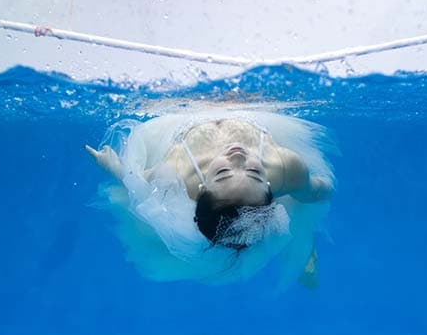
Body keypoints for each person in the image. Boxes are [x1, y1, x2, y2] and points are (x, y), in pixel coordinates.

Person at [85, 106, 337, 290]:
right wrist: (325, 189)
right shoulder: (284, 167)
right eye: (254, 171)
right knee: (300, 210)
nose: (238, 158)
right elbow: (314, 191)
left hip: (184, 121)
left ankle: (303, 251)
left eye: (224, 172)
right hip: (251, 115)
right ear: (269, 186)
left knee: (297, 213)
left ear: (203, 187)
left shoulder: (178, 173)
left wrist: (114, 166)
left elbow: (137, 181)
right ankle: (305, 251)